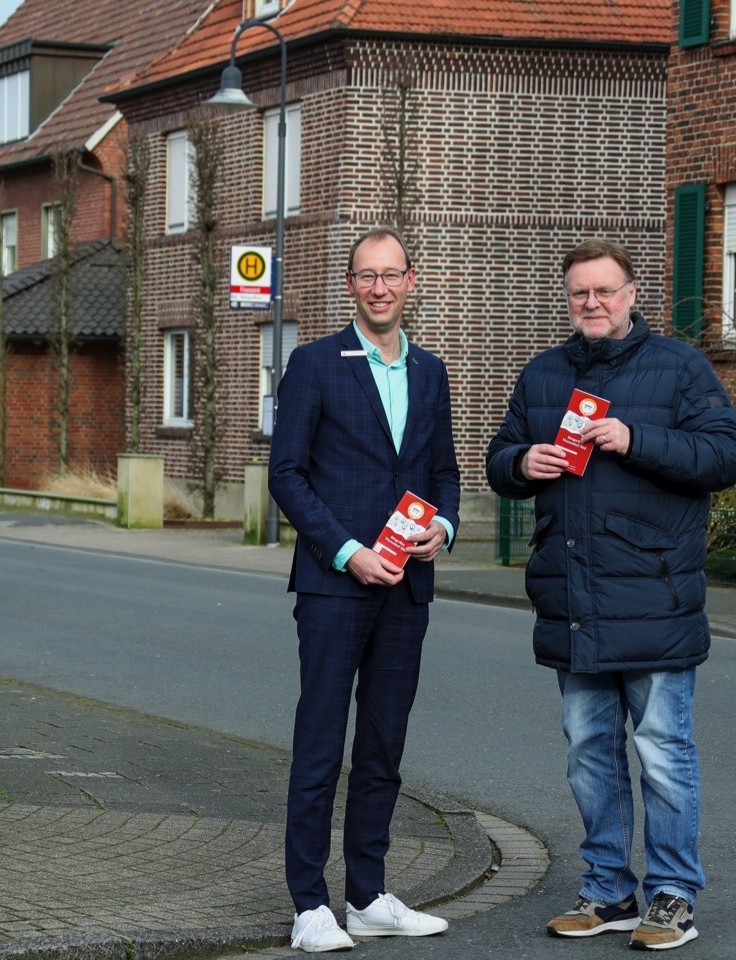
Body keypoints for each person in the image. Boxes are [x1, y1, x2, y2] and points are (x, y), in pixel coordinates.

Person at [485, 239, 736, 951]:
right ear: (567, 299)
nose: (592, 303)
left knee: (663, 751)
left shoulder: (681, 368)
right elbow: (498, 459)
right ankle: (606, 892)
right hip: (573, 598)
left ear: (633, 294)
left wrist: (636, 438)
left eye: (605, 291)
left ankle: (671, 895)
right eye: (579, 293)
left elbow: (727, 456)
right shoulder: (543, 375)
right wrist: (521, 461)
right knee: (588, 752)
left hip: (656, 597)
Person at [269, 228, 459, 951]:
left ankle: (369, 894)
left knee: (383, 745)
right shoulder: (314, 364)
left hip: (407, 589)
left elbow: (442, 471)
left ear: (412, 280)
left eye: (391, 275)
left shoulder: (432, 371)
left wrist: (442, 527)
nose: (380, 288)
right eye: (366, 276)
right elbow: (288, 473)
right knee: (320, 743)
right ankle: (308, 905)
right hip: (334, 587)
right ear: (350, 285)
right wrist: (347, 553)